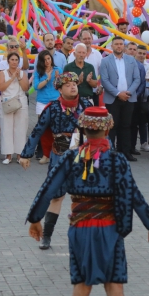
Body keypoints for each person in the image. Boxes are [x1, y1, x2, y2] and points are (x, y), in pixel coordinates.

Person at [25, 106, 149, 296]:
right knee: (114, 284)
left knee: (82, 283)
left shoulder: (70, 157)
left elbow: (48, 188)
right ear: (108, 128)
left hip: (79, 228)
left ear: (83, 129)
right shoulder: (117, 159)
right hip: (110, 228)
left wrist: (35, 218)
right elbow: (133, 195)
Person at [20, 72, 93, 250]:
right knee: (56, 196)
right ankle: (46, 236)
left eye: (74, 83)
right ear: (59, 89)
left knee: (84, 196)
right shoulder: (52, 108)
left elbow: (98, 130)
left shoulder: (86, 105)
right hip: (59, 155)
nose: (72, 86)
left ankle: (84, 236)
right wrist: (26, 154)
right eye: (67, 85)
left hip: (83, 156)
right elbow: (37, 131)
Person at [100, 37, 141, 161]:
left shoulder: (131, 60)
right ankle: (111, 152)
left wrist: (128, 93)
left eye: (121, 44)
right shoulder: (105, 61)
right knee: (112, 126)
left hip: (128, 98)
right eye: (116, 44)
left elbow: (137, 79)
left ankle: (126, 152)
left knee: (126, 125)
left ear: (124, 46)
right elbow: (105, 80)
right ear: (112, 46)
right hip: (113, 98)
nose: (119, 46)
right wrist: (118, 93)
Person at [0, 52, 29, 164]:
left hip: (20, 102)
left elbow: (25, 87)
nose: (14, 62)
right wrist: (12, 78)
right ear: (8, 61)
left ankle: (20, 155)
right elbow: (1, 87)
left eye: (16, 60)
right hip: (7, 102)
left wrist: (19, 77)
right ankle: (8, 155)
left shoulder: (22, 73)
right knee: (6, 128)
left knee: (21, 128)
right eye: (12, 60)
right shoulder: (3, 73)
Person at [33, 49, 62, 164]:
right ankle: (45, 154)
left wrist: (57, 79)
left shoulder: (57, 70)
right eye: (44, 60)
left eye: (48, 59)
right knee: (43, 130)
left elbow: (61, 86)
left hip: (55, 101)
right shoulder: (38, 72)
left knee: (56, 130)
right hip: (42, 102)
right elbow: (36, 87)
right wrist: (47, 79)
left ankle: (56, 155)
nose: (47, 62)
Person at [68, 29, 103, 106]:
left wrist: (101, 86)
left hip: (93, 92)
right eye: (84, 39)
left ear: (92, 39)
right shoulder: (73, 55)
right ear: (80, 40)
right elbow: (68, 74)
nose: (87, 41)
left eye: (89, 38)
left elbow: (103, 72)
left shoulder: (97, 54)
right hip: (76, 93)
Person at [125, 42, 146, 156]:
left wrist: (134, 94)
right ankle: (121, 146)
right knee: (123, 124)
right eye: (130, 49)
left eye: (134, 49)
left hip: (135, 99)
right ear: (126, 50)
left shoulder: (140, 66)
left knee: (134, 124)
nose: (132, 51)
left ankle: (132, 147)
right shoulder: (121, 63)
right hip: (121, 98)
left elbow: (142, 83)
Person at [132, 45, 149, 154]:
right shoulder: (132, 64)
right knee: (133, 123)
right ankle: (132, 144)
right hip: (134, 97)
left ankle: (144, 143)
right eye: (140, 53)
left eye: (144, 54)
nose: (142, 55)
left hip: (146, 98)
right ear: (136, 53)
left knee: (144, 122)